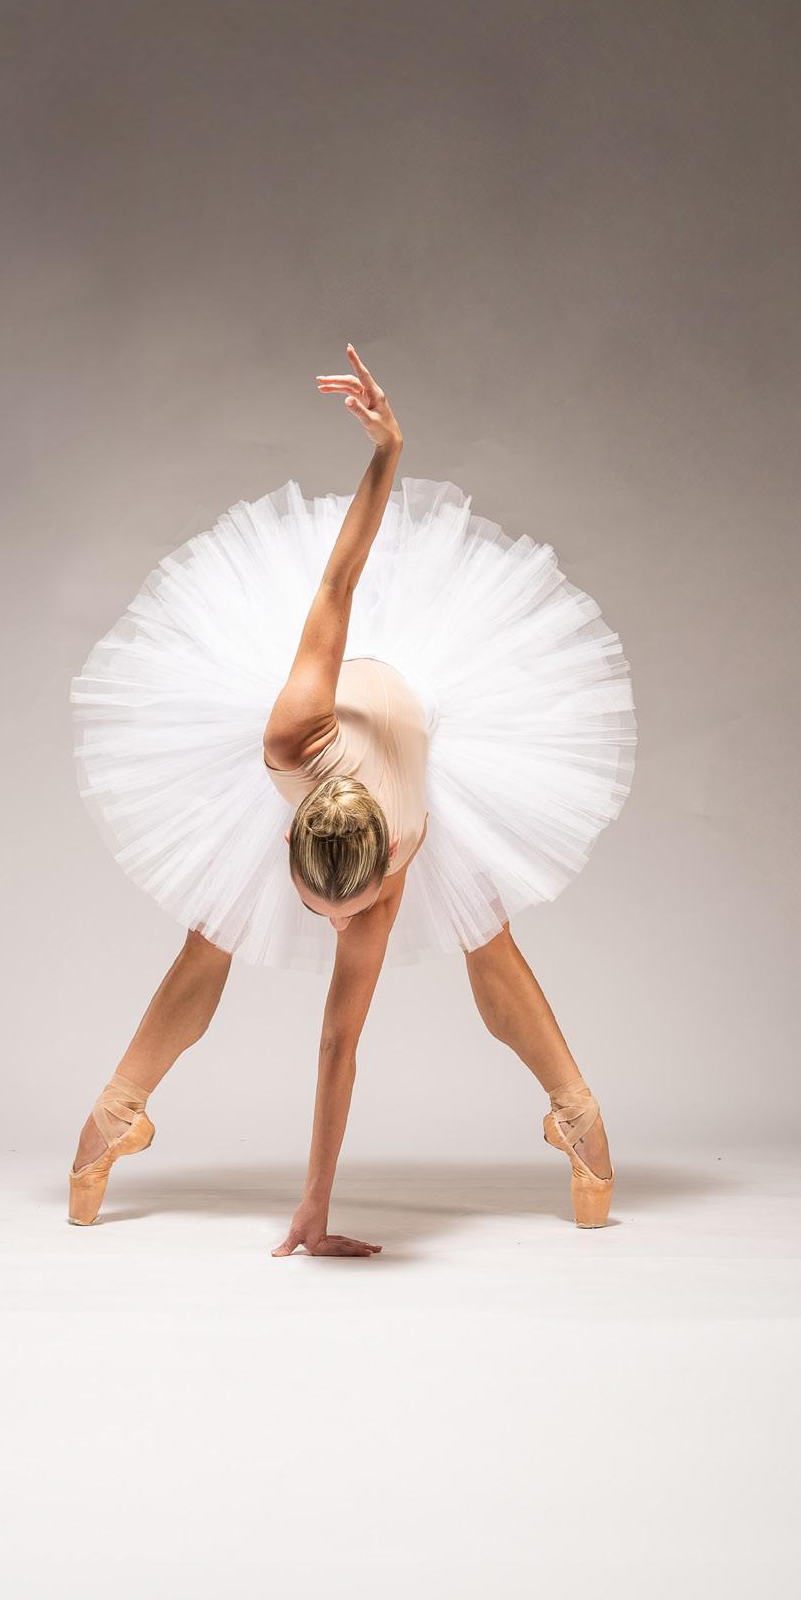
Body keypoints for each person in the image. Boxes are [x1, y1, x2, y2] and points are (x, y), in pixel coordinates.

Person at [67, 349, 636, 1250]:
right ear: (289, 836)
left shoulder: (398, 860)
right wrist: (387, 452)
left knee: (486, 937)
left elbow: (338, 1046)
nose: (338, 927)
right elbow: (338, 580)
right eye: (317, 907)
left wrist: (317, 1209)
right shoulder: (293, 735)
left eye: (350, 913)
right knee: (211, 931)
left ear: (386, 865)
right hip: (360, 713)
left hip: (424, 720)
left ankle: (581, 1122)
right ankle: (108, 1122)